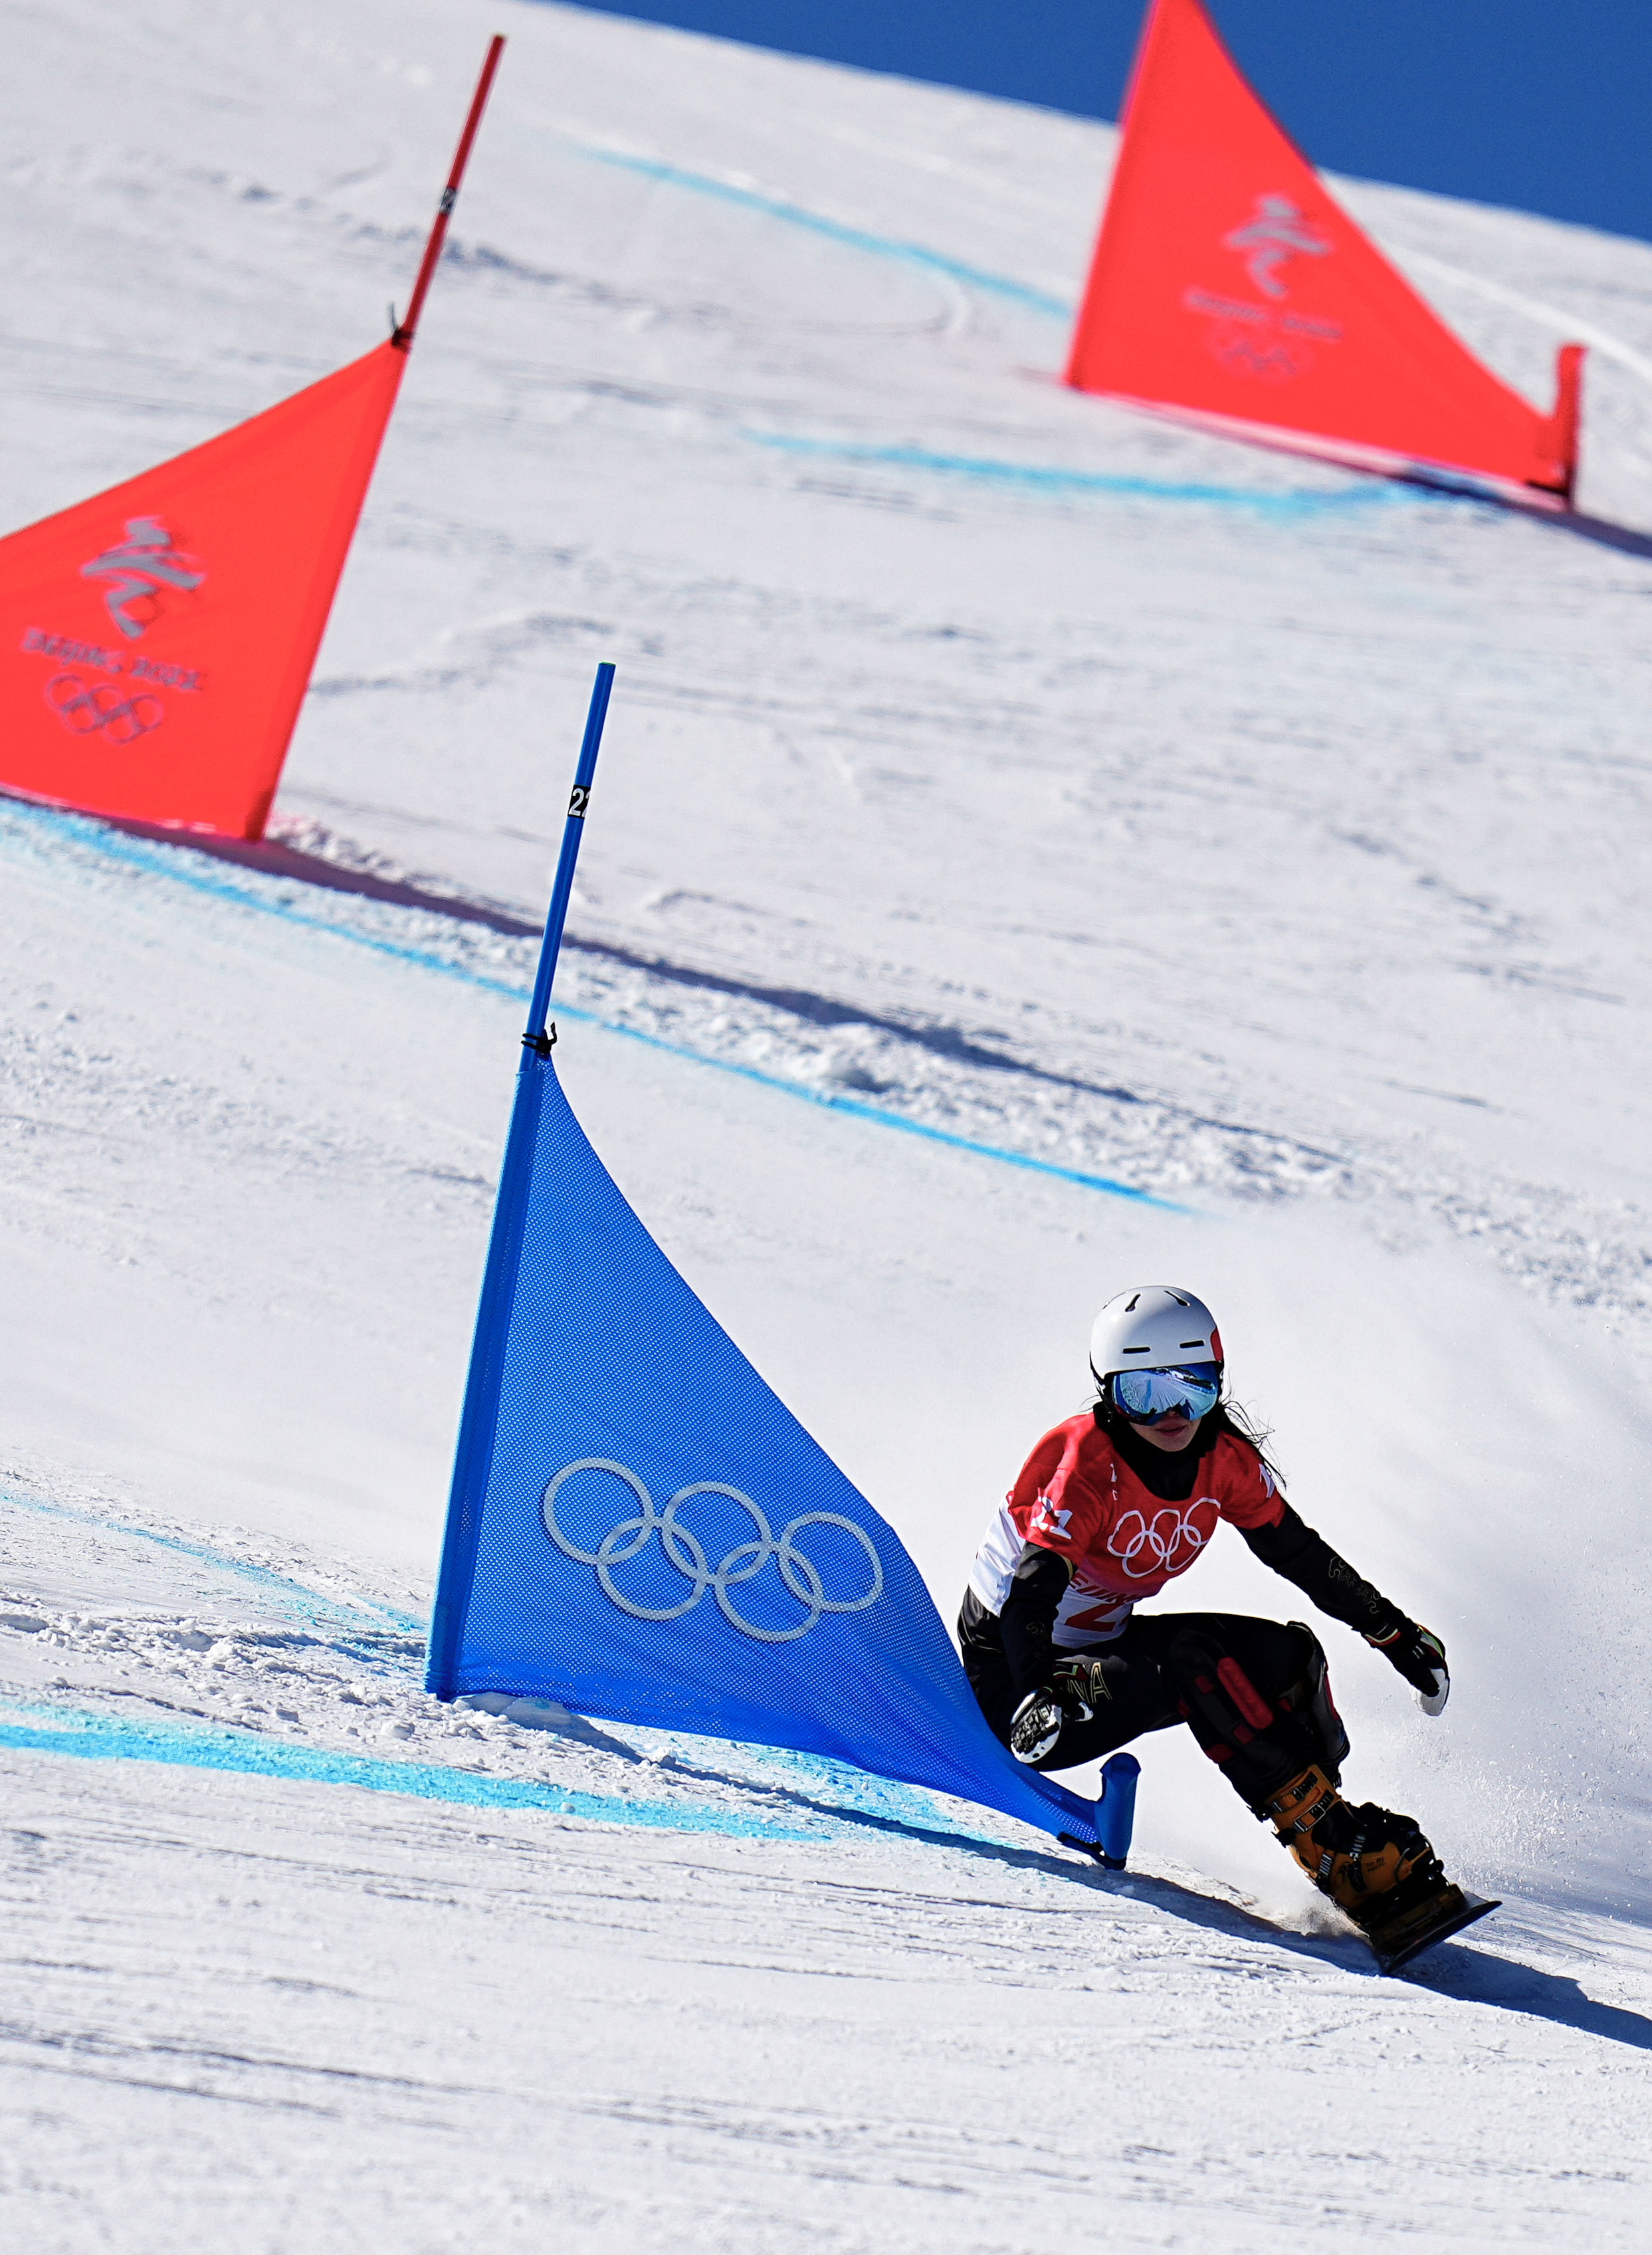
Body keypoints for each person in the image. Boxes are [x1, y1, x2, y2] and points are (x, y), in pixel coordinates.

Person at [960, 1285, 1469, 1964]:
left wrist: (1393, 1632)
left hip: (1094, 1653)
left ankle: (1332, 1823)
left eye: (1193, 1390)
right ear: (1107, 1394)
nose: (1171, 1415)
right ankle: (1339, 1859)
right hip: (1021, 1683)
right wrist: (1034, 1696)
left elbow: (1296, 1552)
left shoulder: (1221, 1459)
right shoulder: (1086, 1466)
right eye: (1144, 1394)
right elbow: (1028, 1599)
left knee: (1285, 1659)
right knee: (1192, 1661)